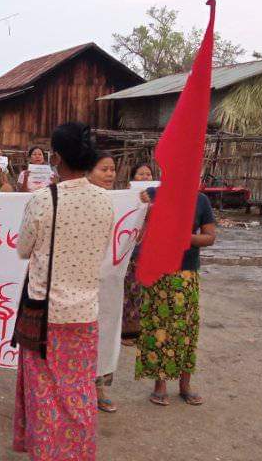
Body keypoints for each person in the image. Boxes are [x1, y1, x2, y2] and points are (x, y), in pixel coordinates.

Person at [13, 122, 113, 460]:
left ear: (56, 157)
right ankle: (79, 453)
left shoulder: (44, 200)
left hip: (43, 313)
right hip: (85, 312)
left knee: (43, 393)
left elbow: (23, 249)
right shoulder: (105, 201)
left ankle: (46, 452)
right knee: (81, 389)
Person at [136, 182, 217, 407]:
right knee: (159, 326)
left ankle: (185, 385)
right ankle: (159, 385)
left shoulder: (200, 200)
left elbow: (210, 237)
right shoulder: (153, 195)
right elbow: (138, 230)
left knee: (186, 329)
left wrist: (184, 238)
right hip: (158, 271)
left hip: (186, 273)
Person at [86, 150, 120, 413]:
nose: (109, 174)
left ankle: (98, 387)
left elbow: (134, 238)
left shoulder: (126, 201)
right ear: (89, 172)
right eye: (103, 169)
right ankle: (80, 388)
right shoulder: (79, 199)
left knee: (105, 328)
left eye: (112, 169)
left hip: (108, 280)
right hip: (79, 279)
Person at [120, 162, 155, 347]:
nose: (144, 177)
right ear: (133, 179)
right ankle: (127, 331)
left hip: (151, 252)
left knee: (147, 292)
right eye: (140, 174)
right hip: (130, 251)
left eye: (148, 175)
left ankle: (146, 330)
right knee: (130, 291)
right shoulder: (128, 198)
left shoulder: (159, 198)